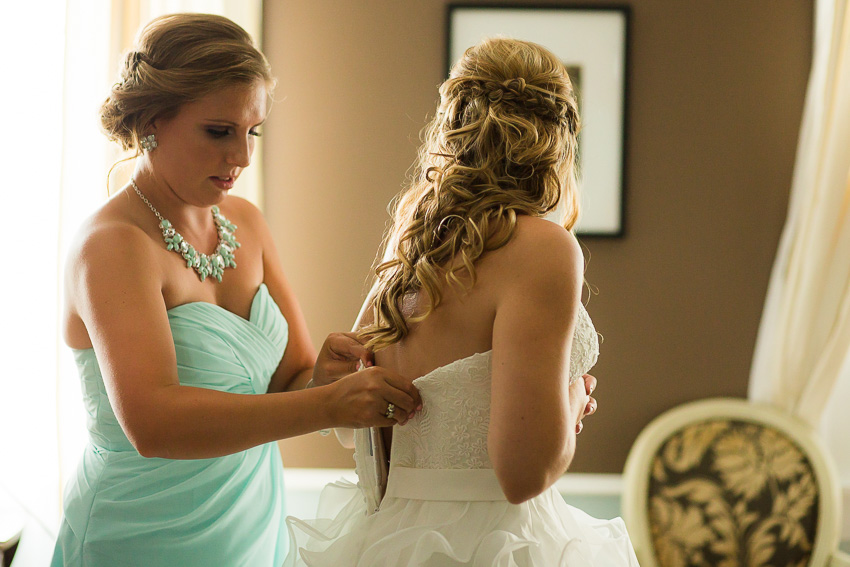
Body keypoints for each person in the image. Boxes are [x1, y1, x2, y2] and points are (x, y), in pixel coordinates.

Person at [50, 13, 422, 567]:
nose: (242, 158)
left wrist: (327, 375)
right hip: (140, 535)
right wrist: (327, 404)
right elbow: (154, 423)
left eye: (252, 132)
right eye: (219, 132)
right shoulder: (111, 246)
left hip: (249, 529)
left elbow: (291, 379)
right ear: (152, 119)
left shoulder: (245, 222)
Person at [284, 37, 640, 565]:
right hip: (497, 541)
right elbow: (523, 476)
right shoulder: (544, 248)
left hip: (389, 537)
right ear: (557, 140)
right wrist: (572, 401)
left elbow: (349, 399)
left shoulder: (417, 229)